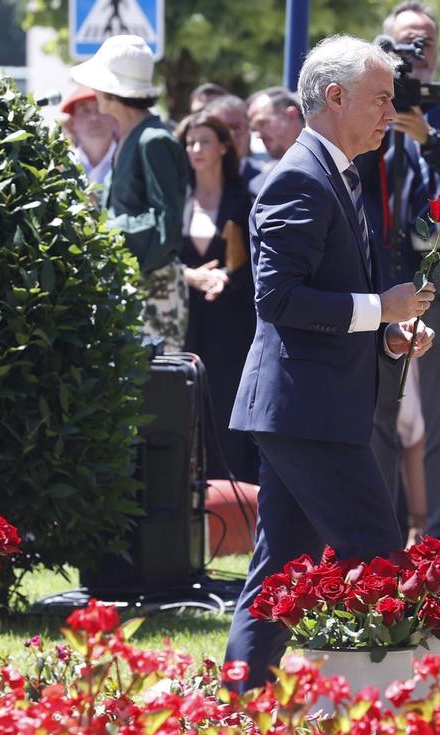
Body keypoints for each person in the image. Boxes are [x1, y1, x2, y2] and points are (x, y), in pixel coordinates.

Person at [224, 34, 436, 689]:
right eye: (381, 99)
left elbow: (320, 294)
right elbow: (278, 298)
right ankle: (399, 703)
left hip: (309, 408)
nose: (389, 112)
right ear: (335, 97)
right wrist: (381, 310)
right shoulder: (299, 177)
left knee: (282, 568)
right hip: (305, 412)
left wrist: (387, 332)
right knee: (375, 547)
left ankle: (240, 700)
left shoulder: (334, 171)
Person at [358, 1, 440, 549]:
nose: (416, 54)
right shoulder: (366, 109)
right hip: (381, 282)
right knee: (379, 413)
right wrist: (382, 116)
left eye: (424, 43)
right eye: (404, 43)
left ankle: (438, 536)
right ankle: (382, 534)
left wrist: (428, 135)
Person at [70, 36, 190, 350]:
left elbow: (166, 223)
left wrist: (102, 230)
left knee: (159, 392)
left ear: (111, 91)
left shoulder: (152, 139)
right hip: (133, 282)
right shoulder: (131, 137)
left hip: (155, 291)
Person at [176, 111, 258, 482]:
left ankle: (234, 504)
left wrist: (226, 277)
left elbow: (256, 260)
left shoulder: (245, 198)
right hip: (185, 319)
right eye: (190, 142)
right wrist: (189, 276)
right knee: (183, 409)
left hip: (230, 321)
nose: (195, 149)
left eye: (204, 140)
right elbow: (157, 258)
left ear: (224, 146)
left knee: (227, 411)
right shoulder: (176, 197)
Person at [61, 85, 119, 190]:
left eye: (101, 108)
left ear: (114, 118)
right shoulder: (63, 166)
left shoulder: (130, 159)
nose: (94, 117)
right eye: (85, 110)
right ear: (72, 122)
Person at [204, 95, 262, 185]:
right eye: (222, 128)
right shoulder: (190, 183)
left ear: (248, 128)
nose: (231, 135)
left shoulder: (264, 181)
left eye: (236, 127)